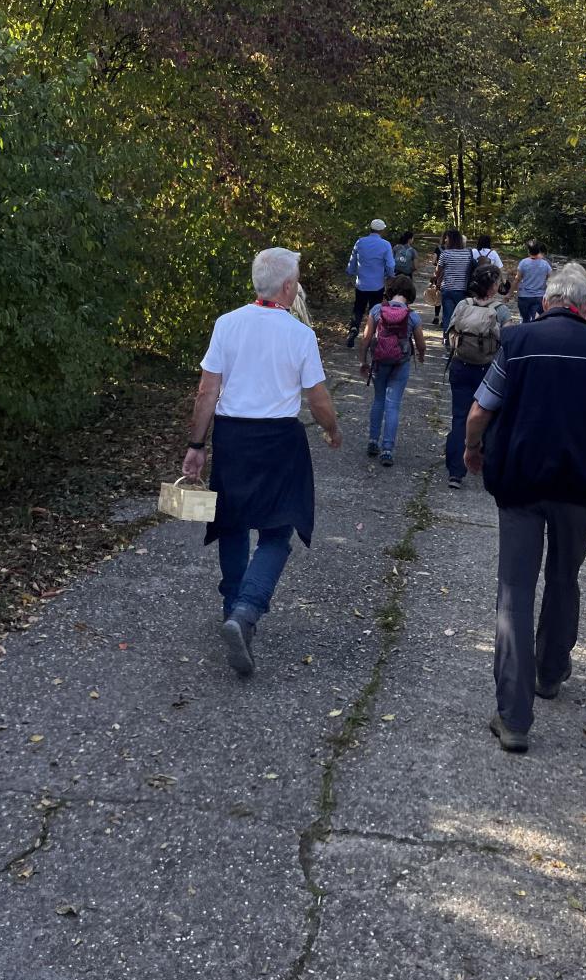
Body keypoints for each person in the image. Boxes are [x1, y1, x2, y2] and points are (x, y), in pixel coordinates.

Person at [463, 262, 586, 753]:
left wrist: (472, 449)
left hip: (520, 479)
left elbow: (480, 410)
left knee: (514, 588)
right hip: (580, 484)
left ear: (545, 303)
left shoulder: (517, 343)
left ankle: (514, 718)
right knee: (564, 577)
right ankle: (551, 670)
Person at [182, 247, 343, 678]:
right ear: (288, 287)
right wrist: (331, 428)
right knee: (276, 530)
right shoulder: (299, 335)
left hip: (233, 439)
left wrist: (197, 444)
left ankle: (231, 606)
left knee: (232, 524)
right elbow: (318, 397)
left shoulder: (227, 324)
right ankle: (248, 608)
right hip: (278, 441)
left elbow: (206, 392)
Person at [443, 263, 510, 488]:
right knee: (488, 418)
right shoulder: (500, 310)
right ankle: (484, 465)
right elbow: (509, 343)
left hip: (460, 365)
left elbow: (449, 334)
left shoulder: (463, 304)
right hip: (488, 371)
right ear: (493, 286)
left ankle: (455, 471)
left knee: (460, 417)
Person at [360, 274, 427, 466]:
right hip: (401, 364)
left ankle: (373, 441)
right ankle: (387, 450)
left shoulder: (376, 310)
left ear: (390, 291)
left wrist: (363, 361)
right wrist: (421, 356)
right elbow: (421, 344)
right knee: (393, 404)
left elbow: (366, 338)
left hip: (379, 362)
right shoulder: (412, 316)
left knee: (379, 399)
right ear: (410, 294)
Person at [346, 219, 395, 348]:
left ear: (371, 229)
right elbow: (390, 264)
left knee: (358, 308)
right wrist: (390, 276)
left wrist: (350, 272)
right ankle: (372, 335)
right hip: (377, 284)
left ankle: (353, 329)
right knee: (375, 311)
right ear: (382, 230)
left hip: (361, 283)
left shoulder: (360, 242)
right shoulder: (385, 245)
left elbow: (352, 261)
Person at [432, 228, 474, 342]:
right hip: (463, 290)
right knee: (461, 316)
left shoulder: (445, 254)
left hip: (448, 289)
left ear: (451, 240)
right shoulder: (469, 253)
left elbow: (437, 272)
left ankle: (447, 339)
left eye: (447, 238)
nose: (445, 240)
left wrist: (435, 281)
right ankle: (460, 338)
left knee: (448, 315)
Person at [514, 241, 552, 322]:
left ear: (528, 251)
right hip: (539, 297)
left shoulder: (523, 262)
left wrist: (509, 294)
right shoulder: (545, 264)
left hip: (524, 297)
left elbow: (517, 279)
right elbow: (550, 278)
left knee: (525, 320)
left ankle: (524, 332)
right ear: (539, 251)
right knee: (536, 320)